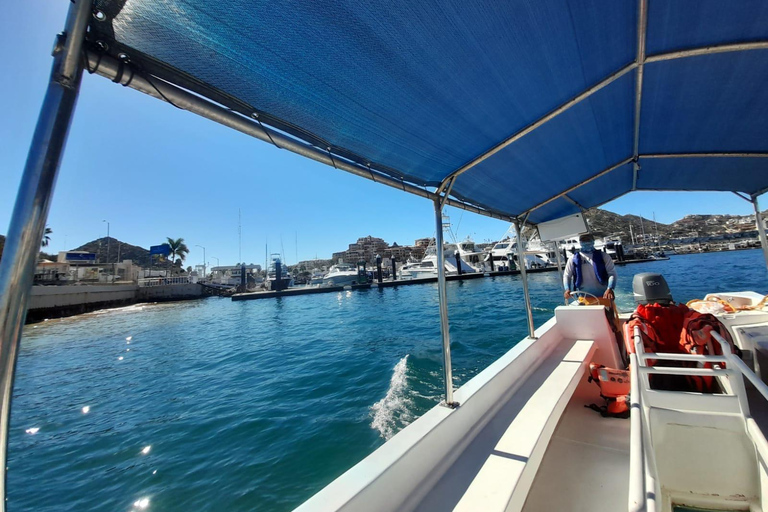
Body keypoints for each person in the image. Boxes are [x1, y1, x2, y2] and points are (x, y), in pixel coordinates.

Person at [563, 233, 618, 300]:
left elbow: (612, 274)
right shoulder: (572, 259)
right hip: (583, 298)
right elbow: (567, 275)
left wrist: (610, 288)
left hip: (604, 297)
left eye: (588, 239)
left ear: (593, 241)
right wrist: (567, 289)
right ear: (580, 242)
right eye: (583, 240)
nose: (586, 242)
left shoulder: (604, 256)